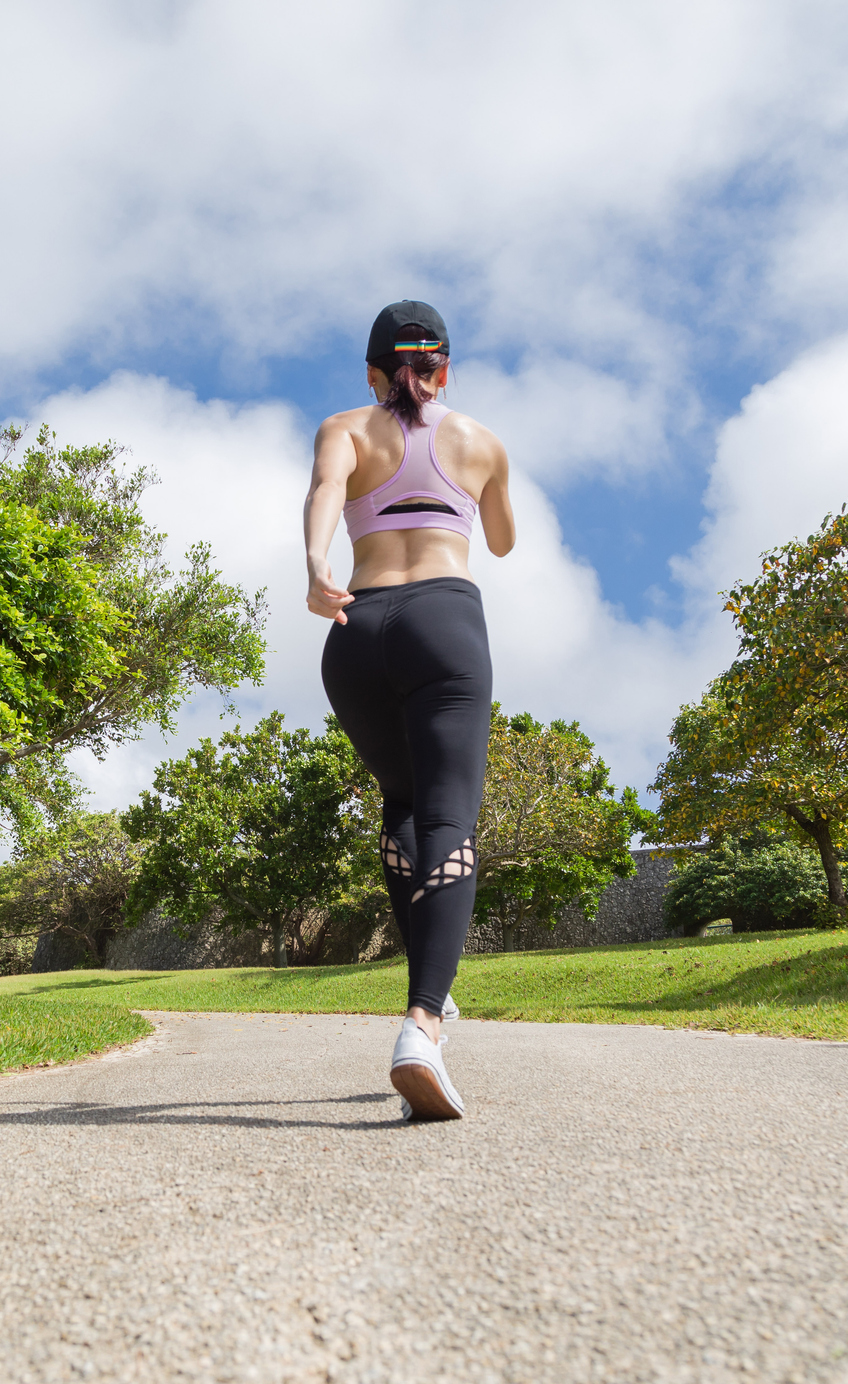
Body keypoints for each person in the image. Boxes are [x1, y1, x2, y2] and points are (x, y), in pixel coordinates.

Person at [303, 300, 515, 1121]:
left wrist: (316, 565)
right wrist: (481, 486)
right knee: (449, 817)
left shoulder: (343, 428)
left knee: (402, 808)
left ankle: (432, 991)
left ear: (369, 371)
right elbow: (498, 542)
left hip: (354, 628)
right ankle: (422, 1023)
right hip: (442, 621)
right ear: (445, 370)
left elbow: (326, 492)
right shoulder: (481, 441)